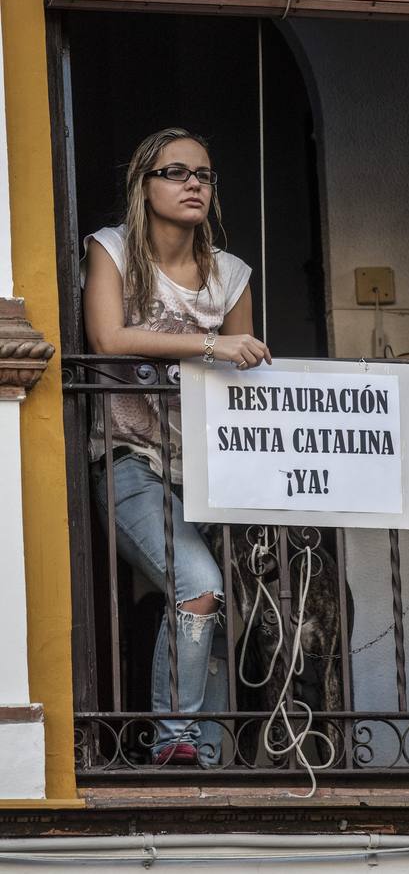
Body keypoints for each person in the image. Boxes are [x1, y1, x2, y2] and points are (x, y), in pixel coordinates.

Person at [83, 127, 272, 765]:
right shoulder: (110, 251)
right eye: (176, 172)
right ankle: (176, 744)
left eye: (205, 175)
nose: (194, 183)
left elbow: (245, 378)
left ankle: (207, 758)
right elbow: (108, 337)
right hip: (130, 459)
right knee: (198, 582)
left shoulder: (231, 275)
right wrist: (210, 343)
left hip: (212, 470)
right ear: (145, 184)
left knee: (216, 604)